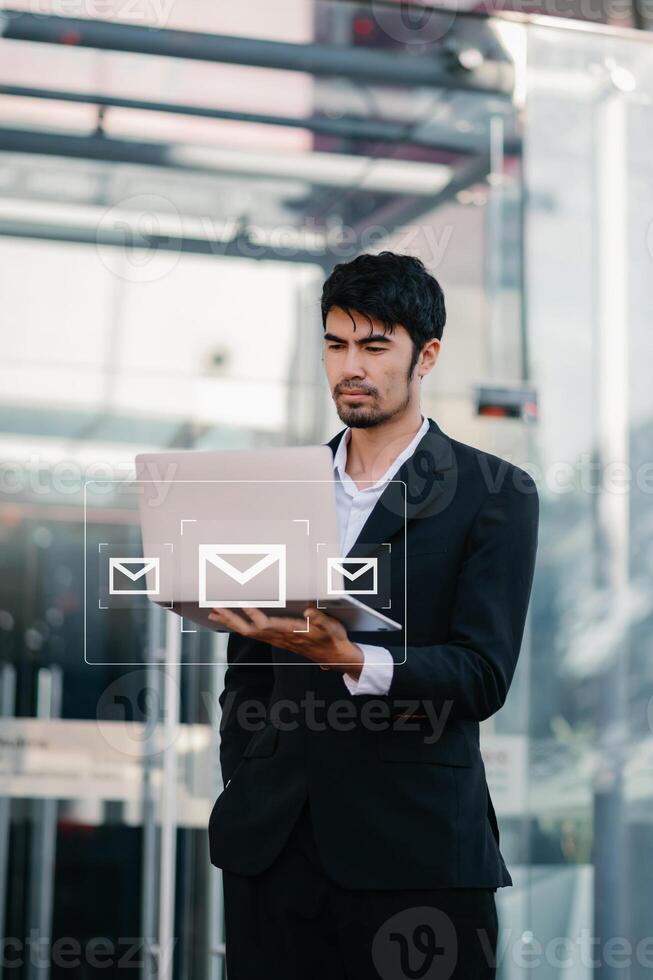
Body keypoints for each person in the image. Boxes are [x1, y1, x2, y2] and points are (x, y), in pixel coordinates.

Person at [208, 251, 539, 978]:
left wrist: (352, 659)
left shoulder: (492, 492)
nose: (349, 366)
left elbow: (482, 675)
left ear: (426, 356)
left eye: (372, 345)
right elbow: (248, 674)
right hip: (274, 850)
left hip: (415, 852)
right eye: (335, 344)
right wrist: (248, 776)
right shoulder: (278, 491)